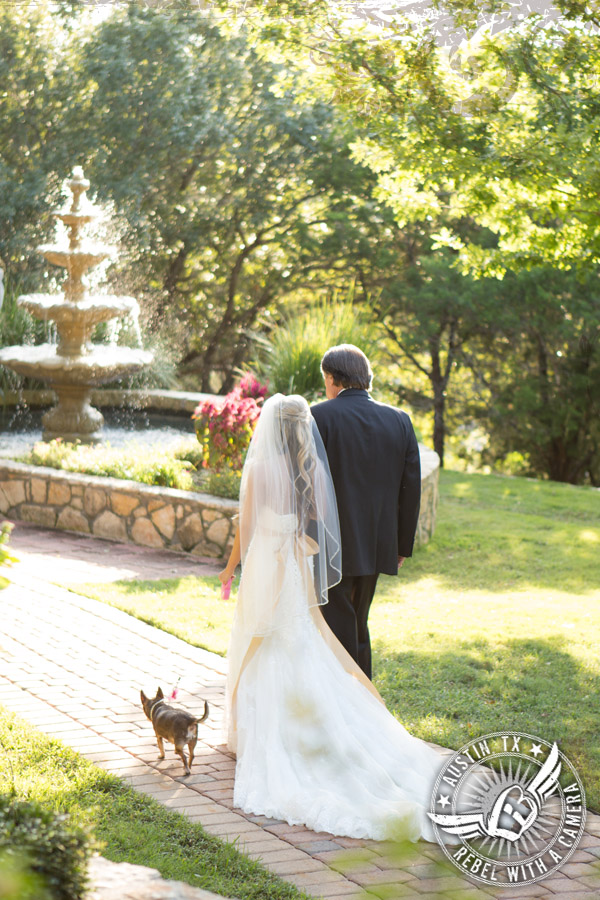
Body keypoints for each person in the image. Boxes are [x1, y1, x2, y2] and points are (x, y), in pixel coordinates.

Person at [218, 393, 446, 842]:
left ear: (269, 430)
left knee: (263, 641)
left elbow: (245, 529)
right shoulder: (312, 470)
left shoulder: (261, 470)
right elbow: (319, 526)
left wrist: (228, 570)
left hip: (268, 565)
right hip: (297, 568)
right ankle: (323, 724)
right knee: (301, 643)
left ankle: (271, 734)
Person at [311, 344, 421, 679]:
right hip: (375, 544)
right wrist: (401, 545)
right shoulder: (399, 420)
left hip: (329, 543)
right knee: (357, 620)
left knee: (338, 625)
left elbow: (305, 483)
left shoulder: (318, 416)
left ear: (332, 378)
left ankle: (348, 702)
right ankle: (364, 697)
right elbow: (410, 487)